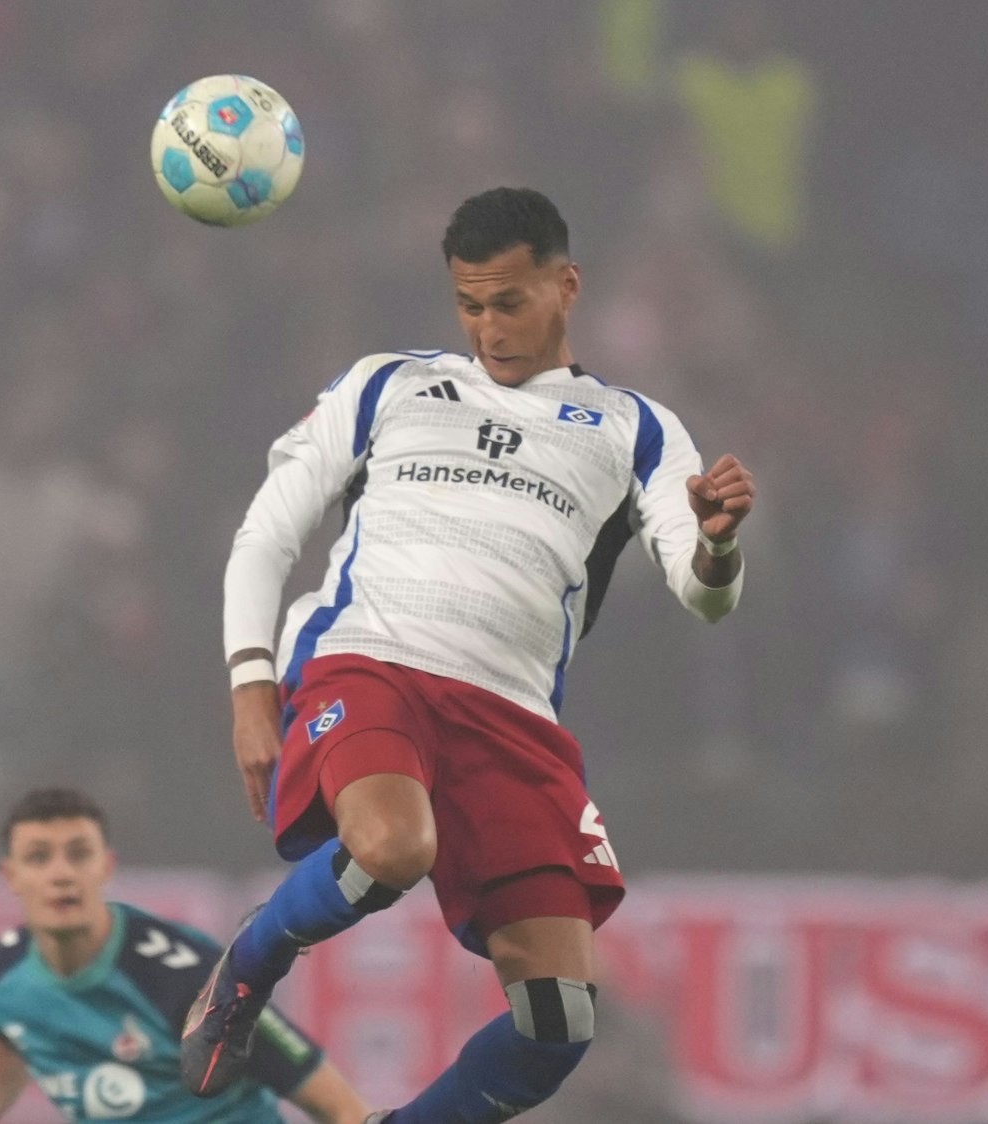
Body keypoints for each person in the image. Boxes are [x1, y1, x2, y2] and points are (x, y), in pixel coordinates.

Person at [182, 187, 756, 1122]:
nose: (488, 328)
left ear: (565, 286)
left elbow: (704, 596)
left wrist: (719, 543)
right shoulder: (388, 384)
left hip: (512, 716)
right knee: (391, 848)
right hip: (368, 664)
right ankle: (252, 961)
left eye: (510, 303)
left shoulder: (633, 428)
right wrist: (250, 680)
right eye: (470, 305)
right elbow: (267, 531)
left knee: (558, 1026)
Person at [0, 788, 371, 1124]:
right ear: (10, 875)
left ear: (106, 866)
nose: (61, 874)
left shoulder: (190, 978)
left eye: (79, 854)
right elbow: (2, 1061)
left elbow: (340, 1106)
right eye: (39, 857)